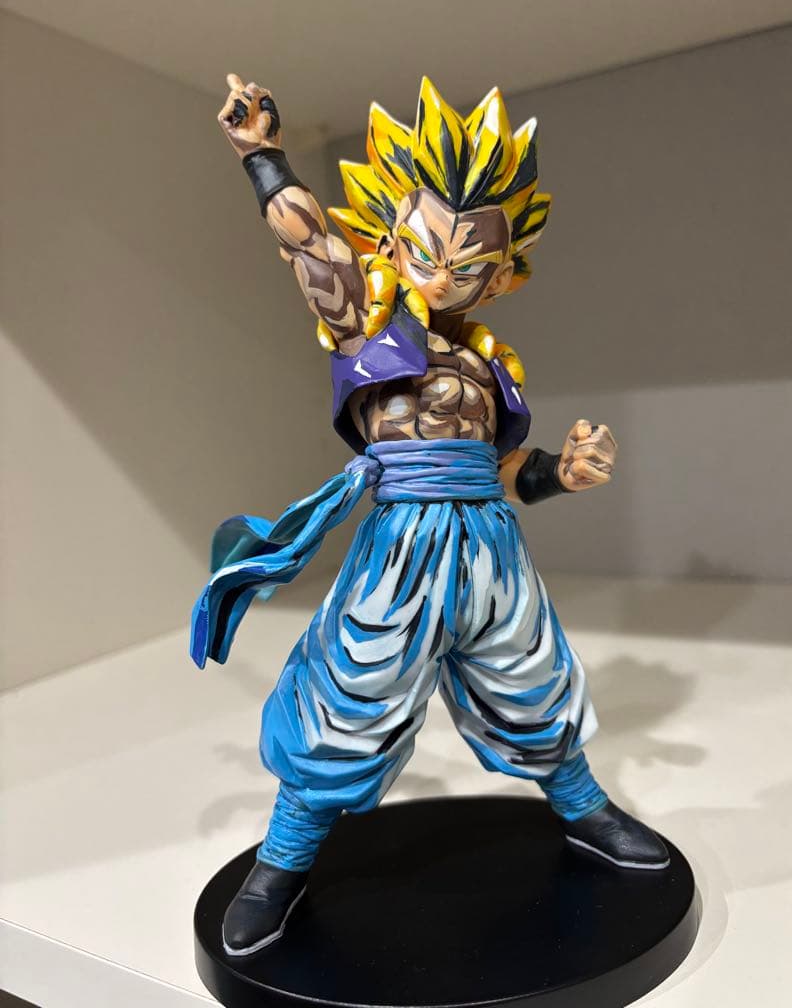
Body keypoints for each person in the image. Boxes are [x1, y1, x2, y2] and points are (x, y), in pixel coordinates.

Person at [191, 75, 669, 957]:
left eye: (470, 262)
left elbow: (507, 473)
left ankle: (584, 809)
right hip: (401, 548)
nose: (444, 273)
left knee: (533, 682)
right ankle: (283, 861)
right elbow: (312, 249)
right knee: (348, 697)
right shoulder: (369, 326)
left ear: (505, 271)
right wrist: (263, 157)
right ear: (390, 240)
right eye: (425, 248)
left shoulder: (489, 364)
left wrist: (563, 473)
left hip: (491, 552)